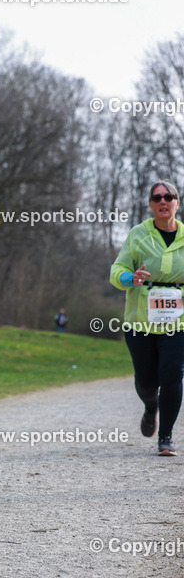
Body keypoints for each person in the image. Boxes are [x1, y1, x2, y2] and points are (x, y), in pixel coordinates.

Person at [110, 180, 184, 456]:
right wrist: (131, 277)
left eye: (169, 197)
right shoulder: (138, 234)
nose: (163, 201)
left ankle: (165, 438)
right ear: (151, 204)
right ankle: (150, 404)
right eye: (157, 197)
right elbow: (116, 270)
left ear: (177, 202)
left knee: (173, 374)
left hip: (178, 323)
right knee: (146, 380)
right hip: (140, 322)